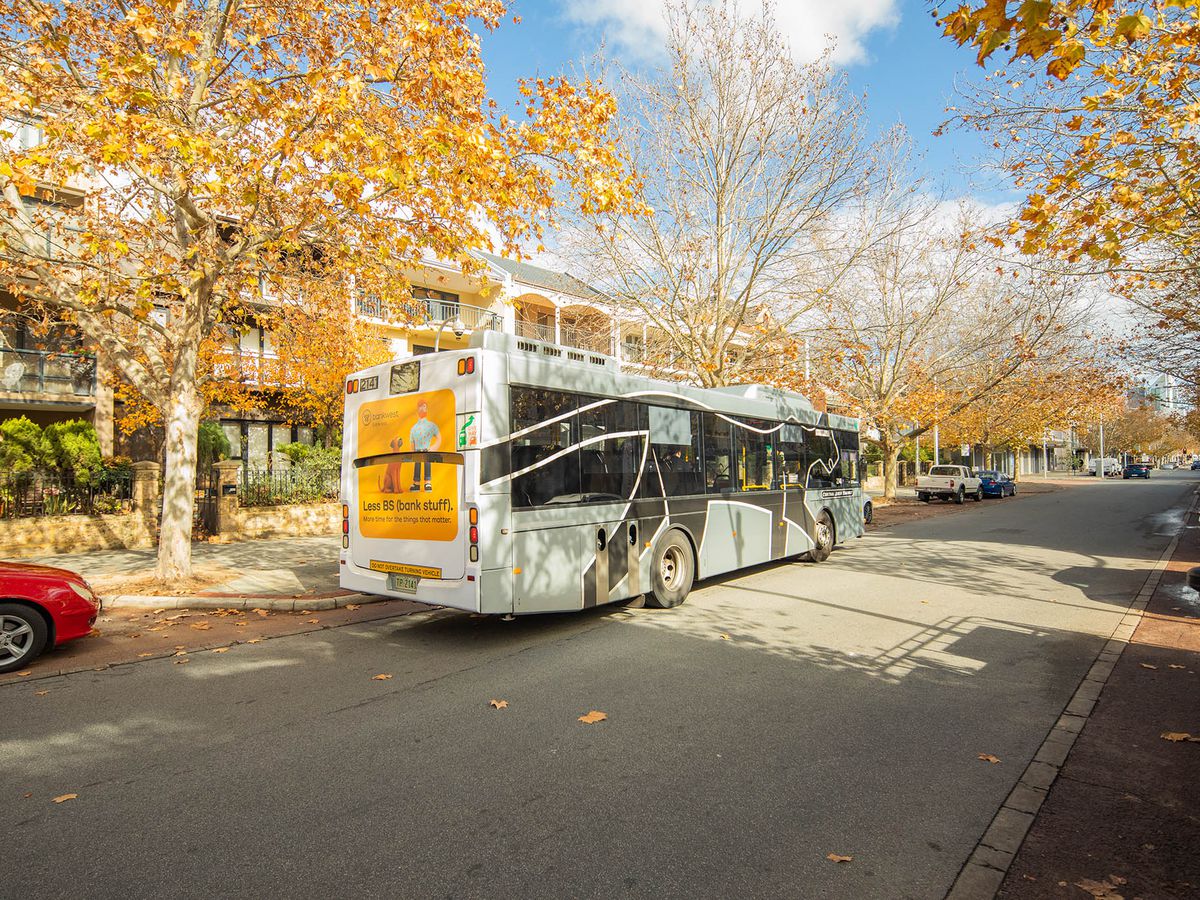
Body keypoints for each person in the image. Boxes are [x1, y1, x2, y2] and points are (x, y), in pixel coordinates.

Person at [408, 398, 442, 491]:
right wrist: (412, 453)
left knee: (427, 462)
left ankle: (427, 482)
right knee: (417, 464)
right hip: (417, 451)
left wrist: (433, 448)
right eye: (421, 406)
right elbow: (412, 443)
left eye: (424, 406)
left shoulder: (431, 425)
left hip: (427, 450)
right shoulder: (414, 428)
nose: (423, 408)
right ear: (417, 409)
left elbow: (439, 438)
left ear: (426, 409)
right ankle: (416, 483)